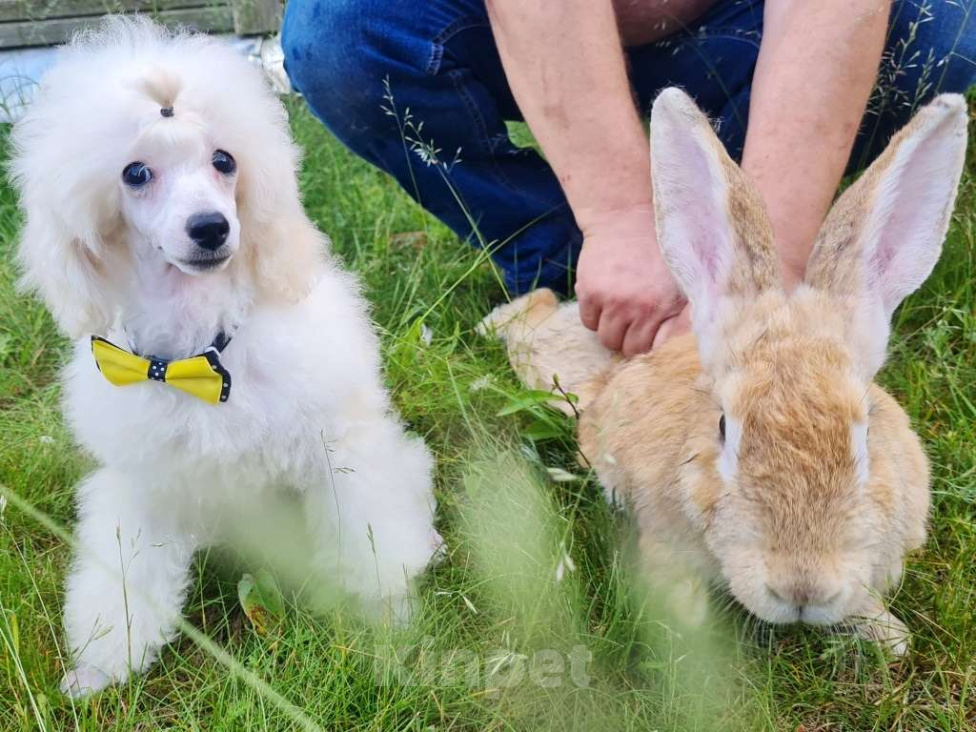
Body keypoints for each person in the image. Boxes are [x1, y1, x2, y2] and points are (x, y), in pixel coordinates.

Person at [281, 0, 975, 356]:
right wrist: (619, 218)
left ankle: (710, 245)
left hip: (737, 26)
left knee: (945, 27)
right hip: (512, 27)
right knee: (342, 35)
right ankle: (574, 272)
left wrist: (766, 265)